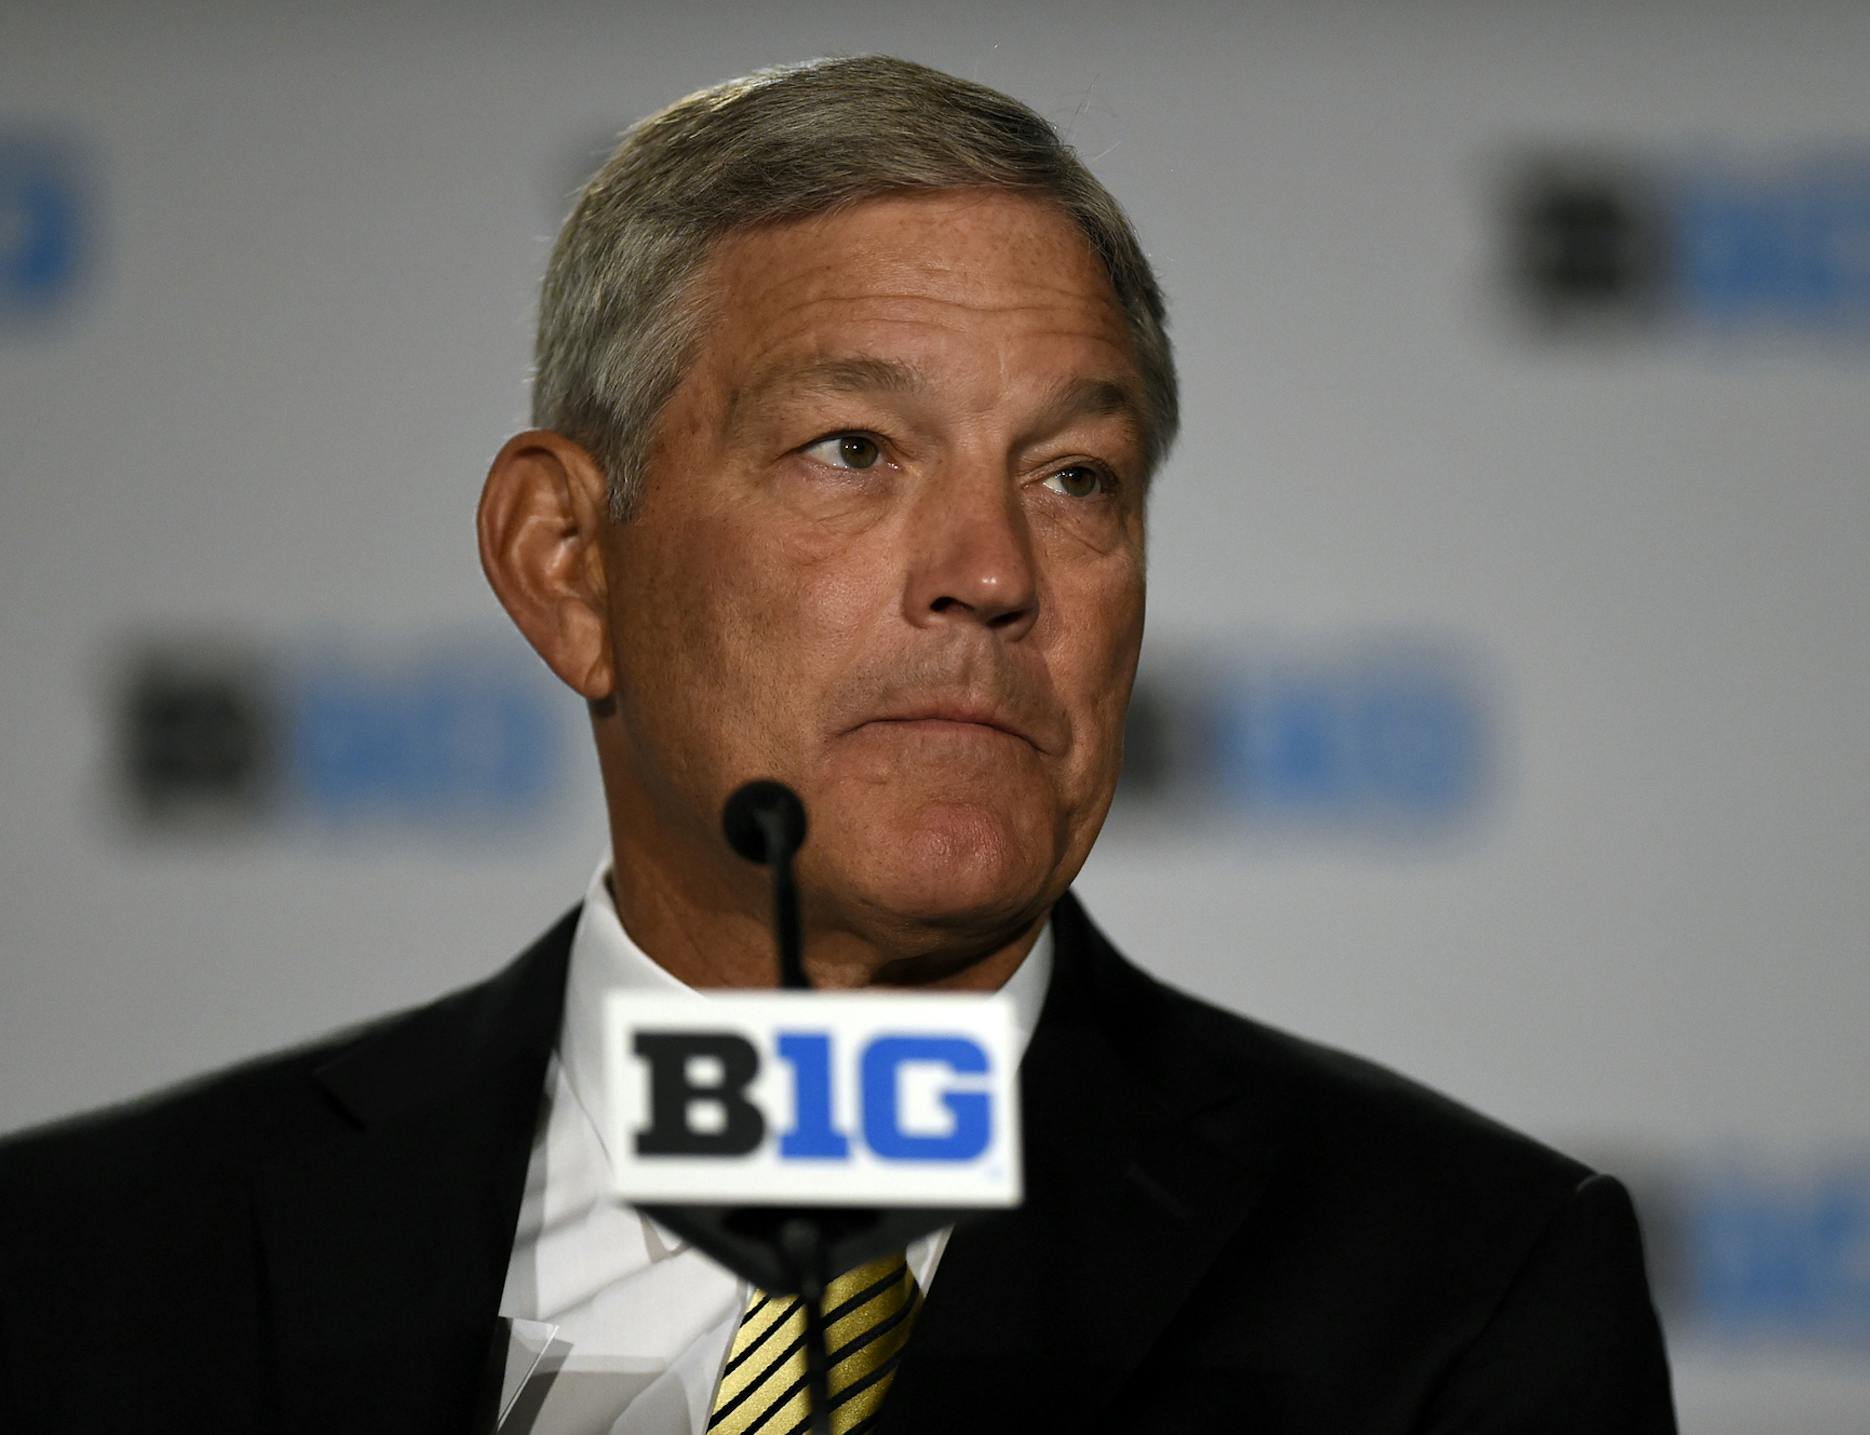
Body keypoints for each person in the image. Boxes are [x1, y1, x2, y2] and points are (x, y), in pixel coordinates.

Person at [0, 56, 1676, 1434]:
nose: (993, 573)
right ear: (568, 564)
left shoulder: (1460, 1298)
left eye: (1074, 478)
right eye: (856, 449)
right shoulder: (78, 1271)